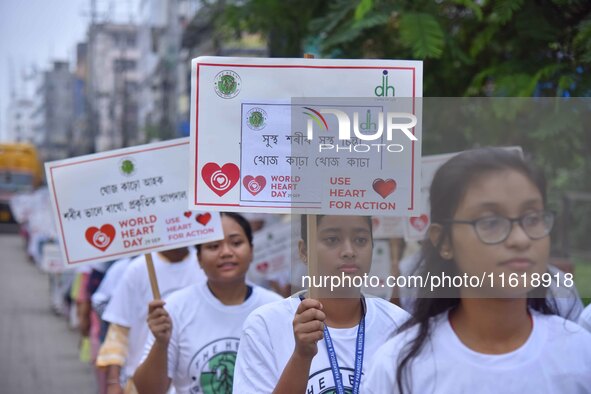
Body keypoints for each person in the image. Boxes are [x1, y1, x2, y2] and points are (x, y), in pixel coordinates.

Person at [363, 147, 591, 393]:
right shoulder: (399, 366)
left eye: (532, 218)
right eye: (491, 222)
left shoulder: (579, 353)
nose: (520, 239)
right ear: (444, 241)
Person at [233, 214, 410, 393]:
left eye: (360, 240)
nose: (349, 251)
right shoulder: (265, 325)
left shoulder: (401, 325)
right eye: (332, 240)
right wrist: (301, 356)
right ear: (304, 251)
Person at [133, 212, 282, 394]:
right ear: (199, 259)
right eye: (213, 246)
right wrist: (161, 343)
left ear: (251, 251)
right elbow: (148, 391)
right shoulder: (175, 308)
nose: (226, 252)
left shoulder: (275, 308)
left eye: (236, 243)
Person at [96, 247, 204, 394]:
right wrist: (113, 382)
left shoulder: (205, 266)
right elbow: (118, 331)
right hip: (142, 382)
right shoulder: (137, 269)